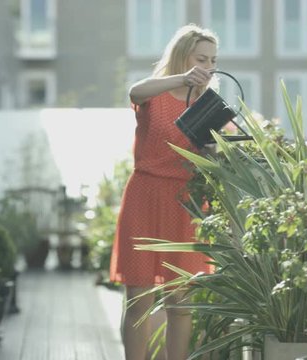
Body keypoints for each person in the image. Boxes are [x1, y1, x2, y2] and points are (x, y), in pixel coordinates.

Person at [109, 24, 218, 360]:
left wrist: (215, 151)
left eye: (213, 60)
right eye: (202, 58)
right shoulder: (154, 94)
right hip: (144, 197)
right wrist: (182, 79)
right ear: (184, 56)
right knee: (139, 297)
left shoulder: (207, 105)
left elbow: (212, 157)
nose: (209, 67)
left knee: (180, 302)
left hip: (185, 202)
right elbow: (135, 90)